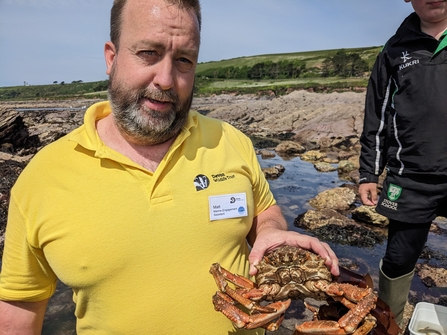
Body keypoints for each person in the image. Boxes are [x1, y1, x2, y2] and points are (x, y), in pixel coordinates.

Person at [0, 0, 339, 333]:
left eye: (183, 60)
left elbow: (264, 212)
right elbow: (18, 310)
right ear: (111, 57)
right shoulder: (42, 177)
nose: (165, 79)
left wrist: (271, 232)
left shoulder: (231, 141)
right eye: (148, 52)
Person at [358, 0, 447, 326]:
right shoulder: (394, 50)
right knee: (397, 260)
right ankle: (387, 328)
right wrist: (369, 172)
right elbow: (377, 117)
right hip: (409, 179)